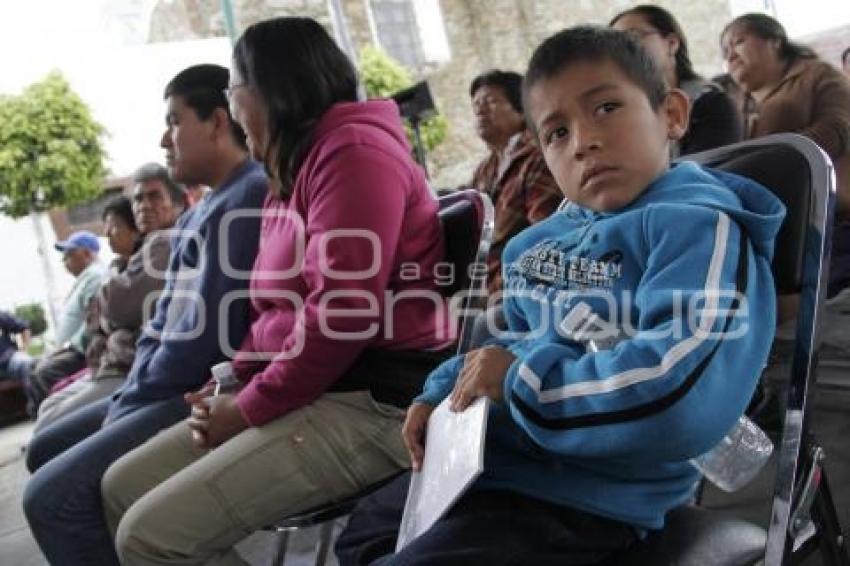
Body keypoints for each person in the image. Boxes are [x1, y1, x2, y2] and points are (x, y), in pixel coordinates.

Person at [335, 26, 785, 565]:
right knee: (363, 536)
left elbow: (677, 395)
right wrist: (443, 392)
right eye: (556, 133)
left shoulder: (697, 230)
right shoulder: (541, 243)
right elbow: (503, 341)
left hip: (589, 495)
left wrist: (520, 382)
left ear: (672, 115)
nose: (583, 142)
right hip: (499, 466)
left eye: (606, 108)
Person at [100, 16, 455, 565]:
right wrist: (233, 377)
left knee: (150, 538)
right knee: (120, 487)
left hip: (374, 401)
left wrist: (247, 408)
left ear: (267, 91)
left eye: (233, 91)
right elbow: (276, 312)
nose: (233, 109)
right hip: (319, 385)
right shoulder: (291, 169)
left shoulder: (353, 153)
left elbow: (343, 313)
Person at [22, 64, 267, 566]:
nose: (164, 138)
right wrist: (132, 391)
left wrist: (133, 399)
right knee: (44, 448)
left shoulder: (247, 197)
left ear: (218, 122)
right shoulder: (205, 208)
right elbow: (162, 324)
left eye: (175, 121)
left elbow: (206, 339)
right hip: (154, 384)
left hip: (196, 392)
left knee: (51, 501)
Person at [35, 164, 185, 431]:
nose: (144, 206)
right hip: (117, 362)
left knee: (49, 429)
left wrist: (109, 310)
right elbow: (101, 319)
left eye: (154, 196)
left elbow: (115, 309)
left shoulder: (164, 242)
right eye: (138, 198)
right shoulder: (141, 252)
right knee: (48, 408)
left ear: (178, 203)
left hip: (132, 367)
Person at [720, 13, 850, 298]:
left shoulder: (817, 75)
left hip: (829, 220)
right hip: (764, 226)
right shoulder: (729, 99)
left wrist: (769, 162)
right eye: (725, 51)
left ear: (775, 41)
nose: (730, 55)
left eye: (738, 41)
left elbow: (838, 129)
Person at [468, 70, 562, 296]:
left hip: (519, 290)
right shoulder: (484, 170)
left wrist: (496, 291)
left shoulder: (538, 156)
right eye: (476, 104)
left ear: (521, 110)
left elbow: (545, 241)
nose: (480, 109)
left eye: (490, 101)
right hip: (482, 288)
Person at [610, 4, 741, 156]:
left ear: (672, 44)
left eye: (633, 37)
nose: (622, 51)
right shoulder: (619, 112)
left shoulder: (711, 104)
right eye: (615, 45)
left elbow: (706, 175)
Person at [25, 230, 107, 413]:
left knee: (45, 372)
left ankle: (59, 417)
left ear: (86, 254)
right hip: (74, 348)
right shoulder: (86, 278)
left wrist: (69, 346)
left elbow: (93, 319)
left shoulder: (95, 276)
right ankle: (45, 422)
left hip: (83, 349)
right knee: (34, 367)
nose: (64, 262)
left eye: (69, 255)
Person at [0, 310, 32, 382]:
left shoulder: (1, 316)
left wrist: (24, 350)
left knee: (26, 363)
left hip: (9, 360)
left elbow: (24, 329)